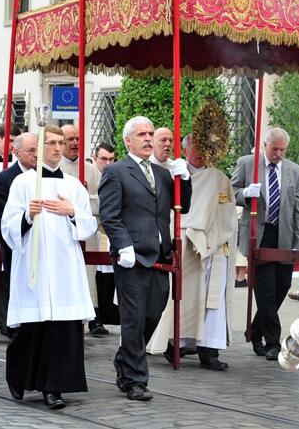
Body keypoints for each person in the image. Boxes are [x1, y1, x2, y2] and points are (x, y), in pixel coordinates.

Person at [2, 125, 96, 410]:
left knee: (62, 330)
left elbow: (89, 225)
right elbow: (7, 225)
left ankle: (53, 387)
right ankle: (19, 376)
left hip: (65, 267)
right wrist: (28, 216)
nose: (57, 148)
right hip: (36, 266)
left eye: (60, 143)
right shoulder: (23, 183)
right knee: (33, 328)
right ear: (40, 147)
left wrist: (73, 212)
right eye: (51, 143)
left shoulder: (74, 185)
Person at [99, 116, 192, 401]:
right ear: (128, 140)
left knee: (153, 313)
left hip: (160, 256)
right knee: (134, 318)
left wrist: (185, 179)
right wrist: (123, 245)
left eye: (151, 133)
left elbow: (183, 206)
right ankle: (135, 380)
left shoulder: (162, 174)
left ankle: (124, 359)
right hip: (132, 258)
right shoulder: (116, 172)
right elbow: (109, 215)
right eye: (142, 134)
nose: (149, 138)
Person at [148, 133, 236, 370]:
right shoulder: (173, 175)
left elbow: (227, 214)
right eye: (195, 148)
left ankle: (209, 350)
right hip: (184, 245)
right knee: (182, 297)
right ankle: (175, 343)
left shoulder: (219, 178)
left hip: (212, 246)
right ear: (185, 150)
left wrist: (213, 236)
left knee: (212, 301)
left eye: (204, 148)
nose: (199, 153)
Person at [232, 127, 299, 361]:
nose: (278, 154)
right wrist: (246, 193)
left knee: (281, 288)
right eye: (275, 149)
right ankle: (273, 342)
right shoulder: (247, 164)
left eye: (282, 150)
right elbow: (231, 192)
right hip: (259, 234)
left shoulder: (295, 171)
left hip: (284, 235)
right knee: (265, 290)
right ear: (265, 145)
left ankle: (255, 330)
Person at [0, 132, 38, 341]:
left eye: (38, 149)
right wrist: (13, 238)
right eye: (31, 150)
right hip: (15, 244)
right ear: (16, 152)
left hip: (41, 246)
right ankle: (15, 328)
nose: (36, 154)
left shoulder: (44, 176)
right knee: (15, 285)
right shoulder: (4, 179)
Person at [59, 124, 104, 336]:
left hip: (87, 233)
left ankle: (90, 319)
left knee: (87, 277)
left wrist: (85, 198)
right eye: (69, 139)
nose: (75, 143)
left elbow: (101, 203)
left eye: (77, 138)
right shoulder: (55, 168)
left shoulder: (91, 170)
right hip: (62, 233)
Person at [92, 141, 118, 335]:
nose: (108, 163)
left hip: (110, 232)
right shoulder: (91, 174)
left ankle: (106, 315)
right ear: (95, 159)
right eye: (103, 159)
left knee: (109, 279)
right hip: (94, 232)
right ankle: (95, 318)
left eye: (111, 159)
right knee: (94, 278)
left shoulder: (117, 175)